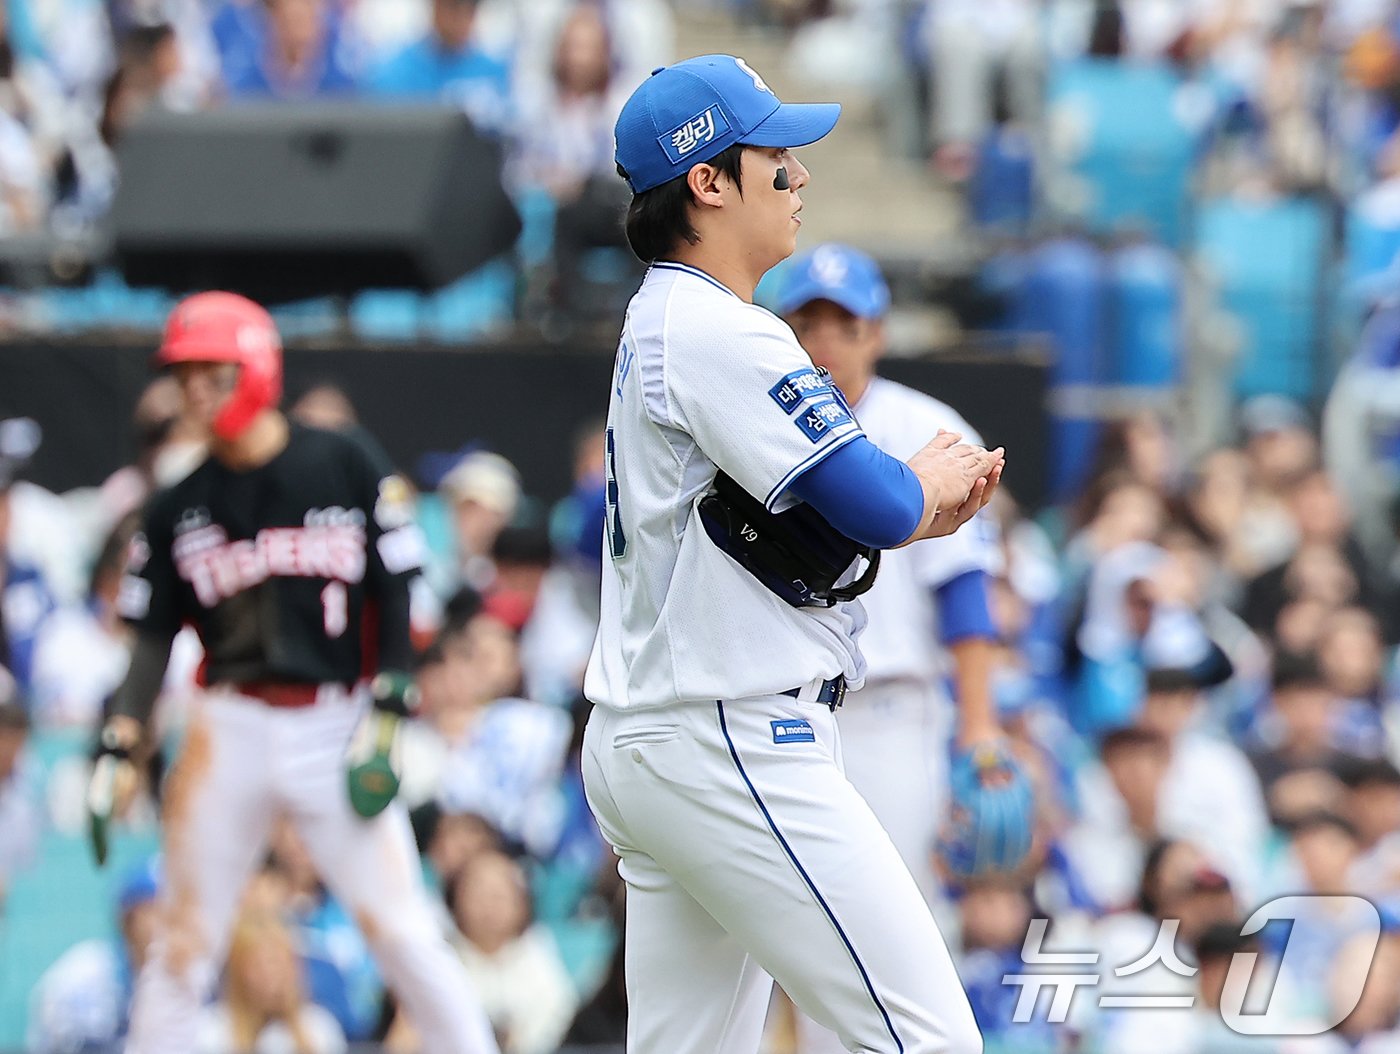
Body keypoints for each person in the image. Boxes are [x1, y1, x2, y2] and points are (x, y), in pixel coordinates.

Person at [582, 54, 1004, 1054]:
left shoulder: (664, 320)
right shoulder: (719, 327)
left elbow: (835, 521)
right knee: (928, 1039)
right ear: (707, 181)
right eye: (774, 151)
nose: (798, 173)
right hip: (725, 734)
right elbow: (876, 496)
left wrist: (905, 507)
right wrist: (924, 487)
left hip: (660, 733)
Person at [93, 291, 498, 1054]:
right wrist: (121, 739)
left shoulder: (341, 460)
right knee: (183, 946)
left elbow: (396, 585)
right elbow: (149, 640)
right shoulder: (177, 503)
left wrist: (392, 694)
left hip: (335, 719)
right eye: (183, 377)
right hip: (229, 725)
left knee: (404, 934)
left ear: (256, 365)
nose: (194, 392)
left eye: (210, 372)